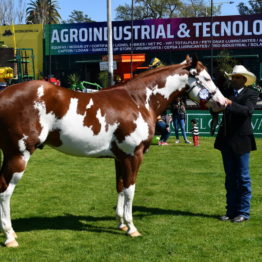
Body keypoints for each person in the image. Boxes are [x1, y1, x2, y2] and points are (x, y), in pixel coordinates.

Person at [214, 65, 259, 223]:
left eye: (236, 77)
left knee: (243, 178)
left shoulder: (252, 93)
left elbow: (247, 111)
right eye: (232, 77)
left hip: (242, 141)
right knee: (230, 178)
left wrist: (229, 103)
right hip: (226, 141)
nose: (233, 79)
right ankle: (231, 211)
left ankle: (243, 212)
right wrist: (213, 107)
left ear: (244, 80)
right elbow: (217, 109)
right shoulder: (225, 93)